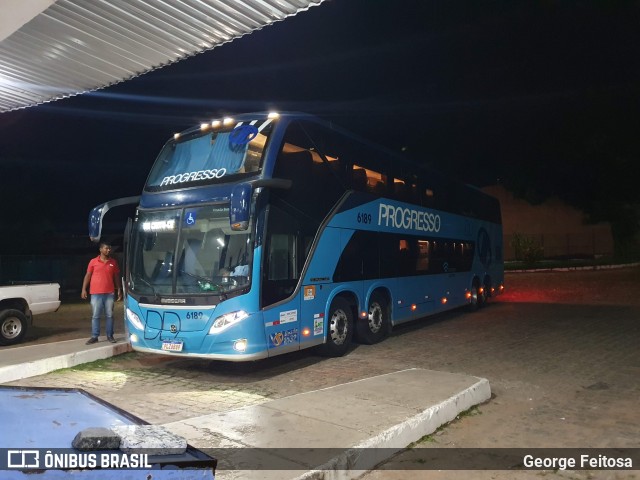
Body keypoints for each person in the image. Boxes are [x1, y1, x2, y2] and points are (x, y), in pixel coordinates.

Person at [81, 242, 123, 344]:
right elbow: (88, 275)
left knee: (109, 315)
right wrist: (83, 289)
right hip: (96, 293)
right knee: (95, 316)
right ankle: (95, 336)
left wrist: (119, 289)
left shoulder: (113, 262)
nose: (108, 250)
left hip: (109, 293)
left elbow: (116, 276)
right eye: (106, 248)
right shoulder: (93, 262)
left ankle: (110, 335)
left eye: (109, 249)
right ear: (100, 249)